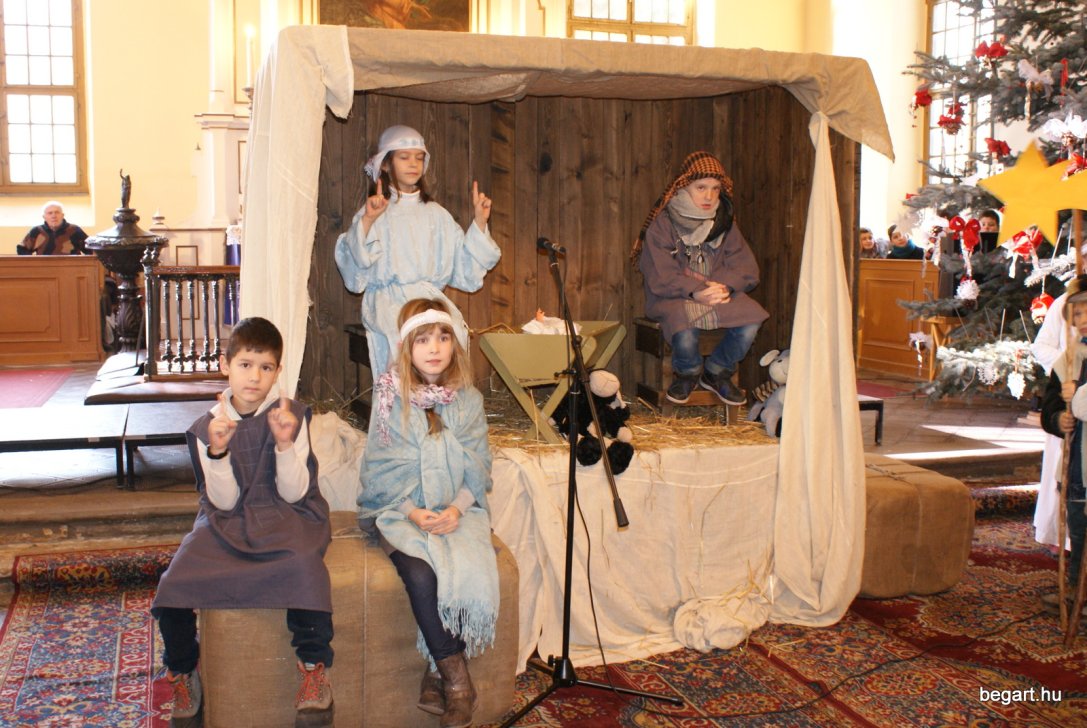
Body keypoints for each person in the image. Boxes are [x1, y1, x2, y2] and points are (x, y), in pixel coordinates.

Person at [151, 317, 334, 727]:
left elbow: (295, 492)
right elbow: (224, 501)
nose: (254, 377)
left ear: (278, 372)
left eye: (266, 367)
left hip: (286, 512)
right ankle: (182, 670)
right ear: (225, 365)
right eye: (246, 365)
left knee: (304, 566)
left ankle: (313, 668)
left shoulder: (291, 416)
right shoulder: (208, 427)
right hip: (227, 518)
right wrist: (218, 453)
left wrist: (285, 443)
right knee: (173, 585)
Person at [359, 298, 498, 728]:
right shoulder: (389, 398)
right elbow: (380, 469)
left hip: (456, 509)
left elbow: (479, 465)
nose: (434, 348)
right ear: (406, 347)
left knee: (466, 564)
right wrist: (413, 511)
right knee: (421, 573)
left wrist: (457, 508)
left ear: (455, 344)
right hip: (400, 510)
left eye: (442, 338)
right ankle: (459, 683)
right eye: (423, 340)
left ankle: (437, 673)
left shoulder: (468, 400)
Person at [334, 124, 500, 376]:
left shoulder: (436, 215)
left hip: (428, 299)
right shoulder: (376, 211)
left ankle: (443, 400)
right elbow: (355, 272)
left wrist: (479, 221)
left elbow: (465, 269)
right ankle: (402, 400)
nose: (413, 164)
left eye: (419, 158)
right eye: (404, 157)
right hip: (388, 302)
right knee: (404, 333)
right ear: (386, 164)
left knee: (452, 328)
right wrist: (367, 221)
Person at [633, 151, 768, 406]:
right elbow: (660, 273)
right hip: (673, 296)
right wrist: (696, 290)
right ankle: (688, 372)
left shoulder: (725, 223)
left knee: (752, 318)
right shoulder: (663, 224)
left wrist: (724, 287)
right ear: (684, 186)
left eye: (715, 189)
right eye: (701, 187)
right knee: (683, 326)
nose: (709, 196)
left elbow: (745, 266)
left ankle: (717, 371)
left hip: (716, 294)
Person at [1040, 274, 1087, 617]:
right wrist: (1059, 419)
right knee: (1079, 525)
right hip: (1077, 463)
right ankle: (1076, 587)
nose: (1081, 320)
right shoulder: (1069, 359)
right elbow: (1050, 406)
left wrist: (1080, 397)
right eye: (1077, 314)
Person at [16, 201, 89, 255]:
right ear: (44, 217)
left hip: (71, 268)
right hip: (44, 268)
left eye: (57, 212)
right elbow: (22, 249)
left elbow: (90, 249)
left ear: (62, 215)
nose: (53, 216)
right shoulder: (36, 231)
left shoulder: (74, 230)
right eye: (50, 213)